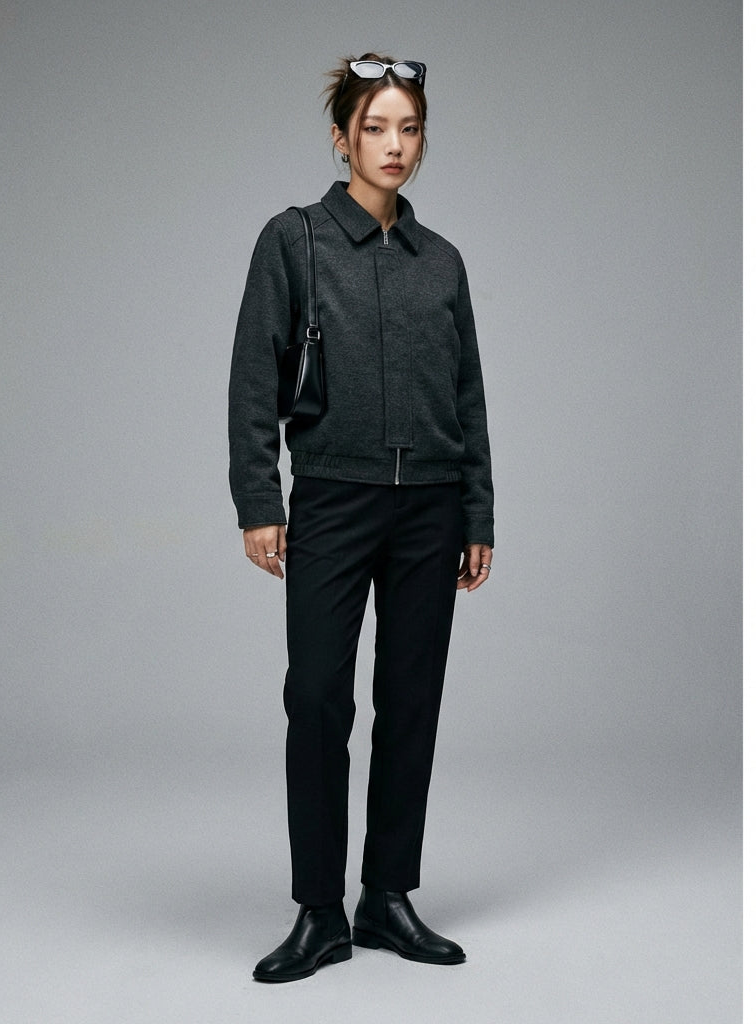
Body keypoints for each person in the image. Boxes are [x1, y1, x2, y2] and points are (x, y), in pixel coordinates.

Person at [228, 54, 495, 983]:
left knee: (411, 704)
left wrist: (477, 512)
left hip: (431, 508)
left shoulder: (443, 261)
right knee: (316, 700)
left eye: (408, 128)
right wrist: (260, 500)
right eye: (375, 127)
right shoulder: (294, 240)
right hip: (333, 501)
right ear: (342, 138)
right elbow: (253, 378)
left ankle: (387, 898)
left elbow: (468, 397)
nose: (394, 145)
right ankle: (318, 912)